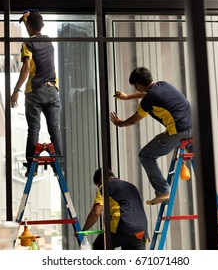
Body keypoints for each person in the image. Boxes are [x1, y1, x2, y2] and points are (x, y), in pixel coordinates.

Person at [110, 67, 192, 205]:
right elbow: (147, 94)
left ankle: (163, 191)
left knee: (145, 155)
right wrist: (127, 97)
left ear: (138, 85)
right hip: (192, 127)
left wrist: (120, 123)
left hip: (178, 131)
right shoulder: (163, 85)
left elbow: (134, 120)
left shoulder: (148, 101)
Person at [10, 9, 62, 177]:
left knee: (34, 129)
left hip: (36, 91)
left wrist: (16, 90)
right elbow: (34, 31)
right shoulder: (49, 42)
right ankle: (58, 165)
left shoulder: (28, 43)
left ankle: (32, 169)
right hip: (53, 90)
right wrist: (27, 21)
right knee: (54, 128)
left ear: (29, 26)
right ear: (43, 25)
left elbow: (26, 68)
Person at [82, 168, 149, 250]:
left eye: (98, 185)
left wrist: (84, 230)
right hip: (141, 231)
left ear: (100, 180)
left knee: (99, 245)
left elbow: (96, 212)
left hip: (124, 227)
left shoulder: (105, 187)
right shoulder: (131, 186)